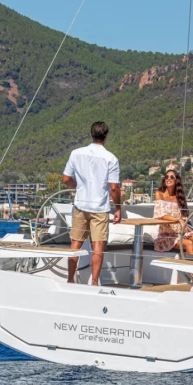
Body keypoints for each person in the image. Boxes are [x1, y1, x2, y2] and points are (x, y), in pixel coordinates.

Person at [62, 121, 122, 285]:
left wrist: (78, 187)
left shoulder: (76, 153)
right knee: (97, 246)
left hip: (80, 205)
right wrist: (118, 209)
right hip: (100, 208)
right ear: (106, 135)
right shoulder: (111, 158)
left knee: (76, 242)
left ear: (91, 134)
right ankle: (94, 282)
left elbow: (66, 179)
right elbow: (114, 188)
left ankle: (70, 279)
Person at [154, 169, 193, 256]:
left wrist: (183, 222)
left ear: (176, 180)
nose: (168, 179)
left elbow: (184, 215)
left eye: (172, 177)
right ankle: (191, 268)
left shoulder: (179, 197)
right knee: (189, 244)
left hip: (180, 232)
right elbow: (160, 215)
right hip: (166, 236)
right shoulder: (159, 194)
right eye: (166, 177)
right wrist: (179, 220)